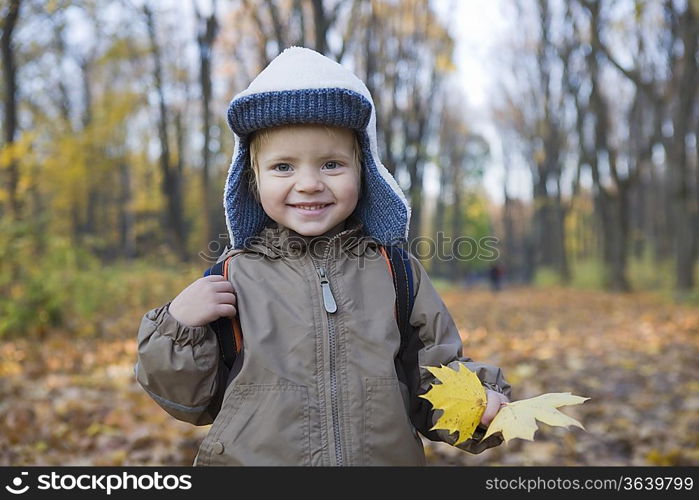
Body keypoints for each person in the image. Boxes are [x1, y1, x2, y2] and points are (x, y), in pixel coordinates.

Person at [135, 47, 511, 466]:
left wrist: (478, 405)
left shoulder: (397, 274)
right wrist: (178, 327)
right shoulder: (229, 278)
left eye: (331, 164)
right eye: (283, 167)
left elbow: (433, 377)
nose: (309, 183)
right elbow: (189, 402)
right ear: (253, 180)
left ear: (364, 172)